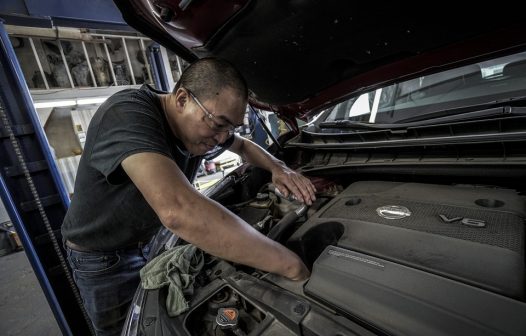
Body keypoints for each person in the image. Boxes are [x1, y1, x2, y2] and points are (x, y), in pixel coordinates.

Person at [61, 57, 316, 336]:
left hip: (153, 239)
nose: (222, 138)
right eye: (219, 125)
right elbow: (177, 211)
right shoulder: (127, 114)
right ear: (182, 99)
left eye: (229, 127)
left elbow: (242, 145)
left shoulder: (200, 121)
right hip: (104, 258)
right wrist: (291, 266)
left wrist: (278, 168)